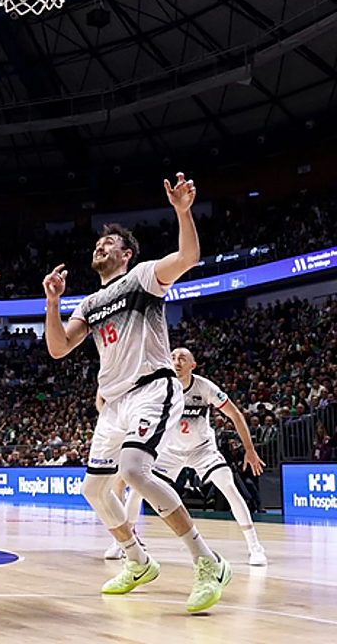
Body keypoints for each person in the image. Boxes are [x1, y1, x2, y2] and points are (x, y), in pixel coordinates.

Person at [43, 177, 233, 614]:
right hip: (113, 404)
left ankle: (209, 561)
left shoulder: (143, 278)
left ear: (125, 254)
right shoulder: (88, 303)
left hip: (152, 388)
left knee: (133, 470)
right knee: (94, 489)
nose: (100, 247)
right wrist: (52, 302)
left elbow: (188, 257)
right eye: (98, 243)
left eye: (109, 243)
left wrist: (183, 212)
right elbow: (57, 348)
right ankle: (138, 561)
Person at [114, 348, 268, 565]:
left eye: (182, 359)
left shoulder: (204, 387)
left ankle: (255, 547)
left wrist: (250, 450)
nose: (176, 361)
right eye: (173, 358)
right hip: (170, 452)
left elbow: (235, 414)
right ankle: (125, 543)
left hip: (202, 449)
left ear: (192, 365)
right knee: (138, 488)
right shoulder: (160, 388)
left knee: (227, 484)